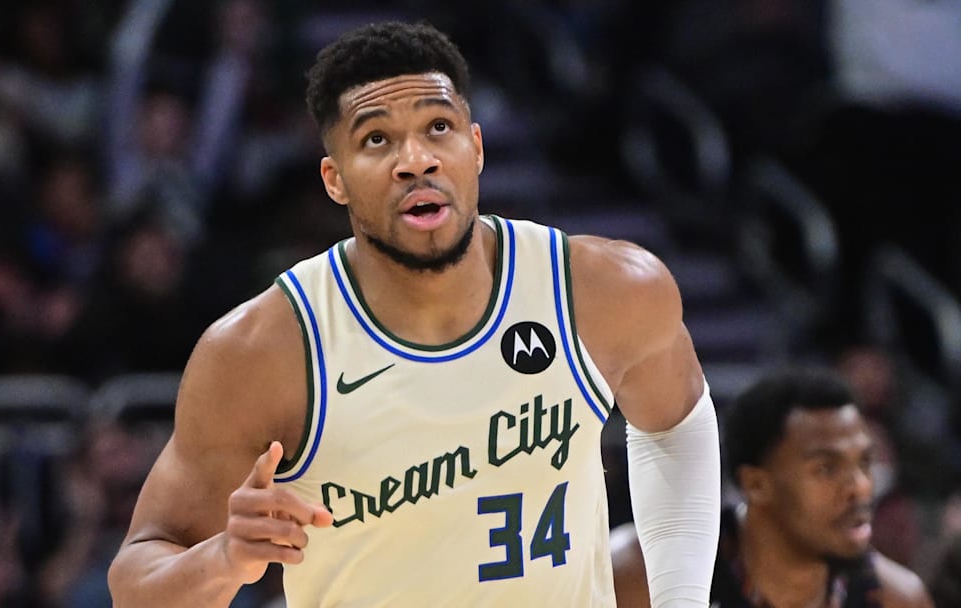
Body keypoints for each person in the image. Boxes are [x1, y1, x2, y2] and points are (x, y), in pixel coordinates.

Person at [108, 20, 721, 607]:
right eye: (377, 139)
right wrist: (222, 560)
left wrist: (683, 599)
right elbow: (136, 584)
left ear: (475, 148)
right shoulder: (264, 350)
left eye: (438, 128)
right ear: (335, 179)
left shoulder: (602, 290)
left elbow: (677, 428)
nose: (416, 160)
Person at [610, 367, 934, 608]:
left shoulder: (898, 599)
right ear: (756, 484)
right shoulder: (642, 576)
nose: (860, 487)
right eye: (826, 468)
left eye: (864, 463)